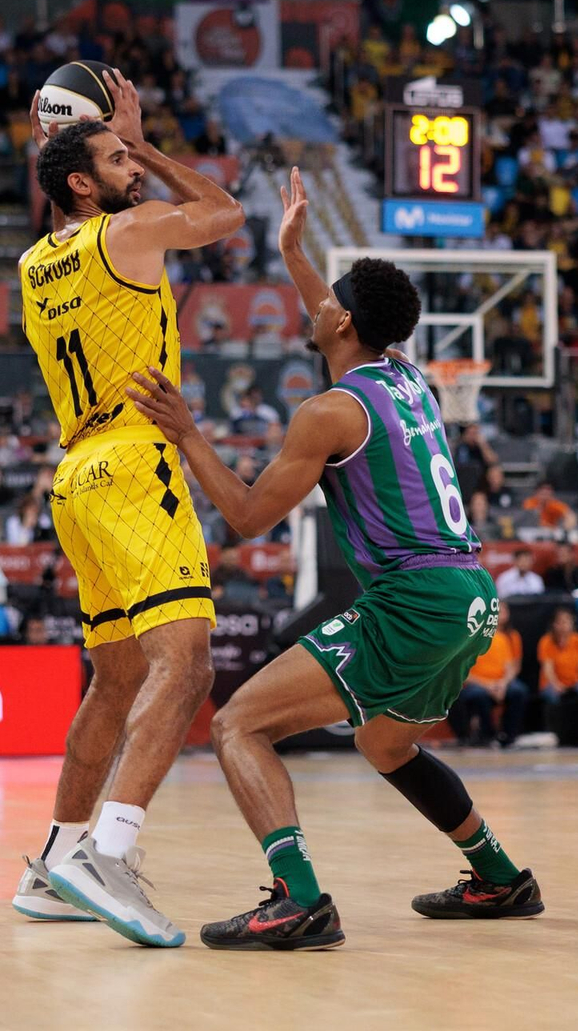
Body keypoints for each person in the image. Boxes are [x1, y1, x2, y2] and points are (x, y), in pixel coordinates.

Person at [121, 166, 539, 950]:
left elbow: (246, 517)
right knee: (386, 743)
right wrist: (292, 249)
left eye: (328, 304)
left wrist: (186, 431)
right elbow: (332, 315)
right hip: (471, 595)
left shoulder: (327, 413)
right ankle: (500, 877)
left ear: (343, 321)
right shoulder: (407, 379)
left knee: (240, 724)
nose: (317, 310)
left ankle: (298, 900)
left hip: (414, 598)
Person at [7, 75, 251, 948]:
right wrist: (146, 143)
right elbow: (224, 212)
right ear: (81, 183)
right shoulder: (128, 232)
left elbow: (67, 189)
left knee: (115, 679)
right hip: (133, 458)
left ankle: (52, 864)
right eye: (115, 160)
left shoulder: (39, 263)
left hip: (75, 472)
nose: (134, 169)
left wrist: (89, 142)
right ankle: (105, 854)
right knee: (184, 668)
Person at [448, 600, 528, 747]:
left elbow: (510, 667)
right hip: (478, 684)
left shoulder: (503, 638)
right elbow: (463, 672)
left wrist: (502, 684)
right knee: (479, 695)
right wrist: (488, 686)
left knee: (518, 691)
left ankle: (509, 736)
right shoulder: (470, 638)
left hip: (500, 683)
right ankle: (487, 735)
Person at [536, 607, 578, 744]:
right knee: (552, 696)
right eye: (560, 622)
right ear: (554, 624)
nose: (563, 626)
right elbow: (547, 668)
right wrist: (556, 684)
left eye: (566, 622)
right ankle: (554, 733)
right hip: (552, 683)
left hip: (574, 682)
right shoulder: (546, 641)